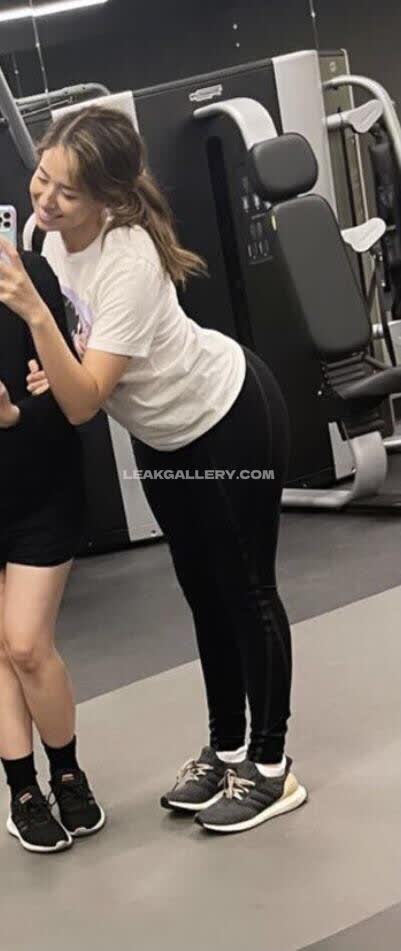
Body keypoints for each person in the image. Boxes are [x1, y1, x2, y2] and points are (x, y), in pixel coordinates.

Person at [0, 104, 307, 835]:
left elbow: (83, 404)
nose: (46, 200)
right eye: (43, 178)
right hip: (161, 436)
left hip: (224, 418)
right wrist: (52, 364)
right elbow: (71, 364)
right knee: (202, 591)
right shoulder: (43, 236)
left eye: (68, 191)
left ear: (107, 196)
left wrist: (40, 321)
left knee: (246, 591)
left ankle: (270, 768)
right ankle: (226, 748)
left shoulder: (129, 258)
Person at [0, 250, 105, 854]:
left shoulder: (24, 274)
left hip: (41, 486)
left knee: (25, 644)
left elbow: (66, 398)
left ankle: (66, 771)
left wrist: (15, 413)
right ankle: (22, 791)